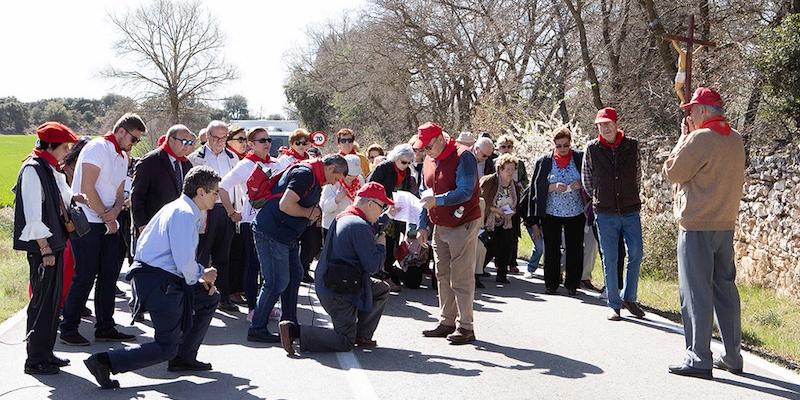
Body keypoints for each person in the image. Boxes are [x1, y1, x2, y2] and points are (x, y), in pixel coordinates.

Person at [83, 166, 222, 389]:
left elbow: (181, 261)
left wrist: (199, 278)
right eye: (215, 192)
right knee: (166, 347)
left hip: (161, 277)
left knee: (209, 298)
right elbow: (184, 261)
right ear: (200, 192)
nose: (217, 197)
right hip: (159, 280)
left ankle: (183, 357)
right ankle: (104, 361)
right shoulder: (185, 214)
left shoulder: (181, 208)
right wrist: (203, 274)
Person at [664, 87, 745, 379]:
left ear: (701, 111)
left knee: (695, 293)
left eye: (691, 110)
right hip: (725, 225)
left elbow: (673, 171)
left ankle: (699, 357)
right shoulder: (736, 139)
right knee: (726, 290)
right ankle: (733, 356)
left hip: (696, 226)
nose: (689, 115)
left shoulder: (699, 138)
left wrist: (683, 139)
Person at [278, 182, 393, 354]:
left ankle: (362, 335)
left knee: (380, 289)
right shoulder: (359, 226)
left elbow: (371, 227)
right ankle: (294, 331)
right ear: (370, 204)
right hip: (339, 291)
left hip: (333, 282)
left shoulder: (346, 216)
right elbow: (373, 266)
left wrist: (387, 217)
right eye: (382, 207)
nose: (381, 212)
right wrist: (381, 246)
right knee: (344, 341)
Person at [60, 113, 144, 346]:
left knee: (109, 274)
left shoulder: (123, 156)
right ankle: (68, 328)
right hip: (87, 220)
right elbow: (87, 187)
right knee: (85, 274)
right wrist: (106, 215)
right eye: (134, 139)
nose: (134, 143)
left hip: (107, 220)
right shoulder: (97, 148)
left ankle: (105, 326)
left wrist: (114, 212)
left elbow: (120, 191)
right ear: (121, 131)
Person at [247, 154, 348, 342]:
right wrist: (309, 213)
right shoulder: (305, 174)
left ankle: (289, 325)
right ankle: (257, 328)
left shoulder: (313, 175)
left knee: (294, 277)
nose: (334, 183)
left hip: (287, 235)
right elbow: (285, 205)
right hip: (272, 232)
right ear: (330, 168)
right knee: (276, 282)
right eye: (335, 178)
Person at [13, 122, 82, 375]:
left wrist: (75, 198)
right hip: (44, 249)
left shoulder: (49, 166)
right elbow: (33, 215)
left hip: (55, 244)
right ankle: (35, 360)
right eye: (64, 147)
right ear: (51, 145)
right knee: (42, 304)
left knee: (52, 304)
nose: (67, 152)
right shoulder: (33, 169)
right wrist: (45, 250)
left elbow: (61, 196)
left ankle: (46, 353)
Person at [415, 122, 481, 344]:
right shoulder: (428, 159)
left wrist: (438, 201)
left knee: (460, 276)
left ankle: (466, 327)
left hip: (462, 223)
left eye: (429, 146)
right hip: (440, 224)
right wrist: (422, 224)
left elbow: (465, 191)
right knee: (442, 274)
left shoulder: (464, 156)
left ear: (441, 139)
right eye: (423, 148)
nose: (426, 151)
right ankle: (447, 321)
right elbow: (425, 193)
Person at [582, 107, 646, 320]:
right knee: (610, 258)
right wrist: (599, 197)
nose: (605, 128)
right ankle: (614, 304)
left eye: (608, 123)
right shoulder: (592, 148)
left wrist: (629, 194)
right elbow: (587, 179)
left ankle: (630, 297)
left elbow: (637, 175)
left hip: (630, 209)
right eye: (601, 125)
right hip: (605, 212)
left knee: (636, 253)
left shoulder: (632, 145)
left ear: (616, 124)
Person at [219, 127, 280, 320]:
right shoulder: (245, 165)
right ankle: (253, 308)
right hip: (251, 221)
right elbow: (222, 187)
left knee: (269, 268)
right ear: (251, 144)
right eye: (262, 141)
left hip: (274, 221)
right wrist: (231, 212)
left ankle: (267, 306)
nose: (267, 144)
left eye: (268, 140)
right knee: (252, 265)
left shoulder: (276, 163)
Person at [188, 121, 239, 312]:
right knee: (201, 254)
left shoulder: (233, 157)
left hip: (226, 210)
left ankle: (223, 297)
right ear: (207, 136)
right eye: (215, 137)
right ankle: (197, 296)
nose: (219, 141)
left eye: (223, 137)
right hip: (204, 211)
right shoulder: (195, 158)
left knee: (223, 256)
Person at [530, 126, 585, 295]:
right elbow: (536, 186)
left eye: (566, 145)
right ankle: (551, 284)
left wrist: (580, 184)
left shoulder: (579, 158)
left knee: (575, 249)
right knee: (552, 249)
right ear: (553, 144)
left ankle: (572, 284)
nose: (562, 149)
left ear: (571, 144)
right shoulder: (545, 161)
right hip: (551, 212)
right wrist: (552, 187)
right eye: (559, 145)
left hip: (576, 212)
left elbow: (590, 179)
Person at [367, 144, 419, 289]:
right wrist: (385, 201)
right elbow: (371, 187)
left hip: (398, 211)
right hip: (381, 209)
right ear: (396, 158)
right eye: (403, 162)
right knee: (383, 241)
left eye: (409, 162)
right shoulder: (383, 168)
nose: (406, 165)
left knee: (393, 243)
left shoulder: (406, 172)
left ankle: (387, 273)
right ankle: (381, 276)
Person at [131, 124, 196, 238]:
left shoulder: (186, 164)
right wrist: (142, 224)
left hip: (179, 225)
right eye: (184, 141)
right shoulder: (150, 161)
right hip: (154, 225)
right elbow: (137, 195)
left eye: (190, 142)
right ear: (171, 140)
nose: (187, 146)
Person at [480, 153, 523, 285]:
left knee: (506, 246)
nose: (511, 172)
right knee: (490, 247)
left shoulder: (515, 186)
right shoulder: (490, 181)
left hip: (507, 221)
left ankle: (502, 274)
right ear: (500, 169)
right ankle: (477, 271)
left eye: (513, 169)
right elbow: (482, 202)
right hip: (490, 220)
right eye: (508, 169)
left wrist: (511, 212)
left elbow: (516, 204)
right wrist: (496, 210)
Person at [224, 126, 248, 305]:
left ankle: (240, 288)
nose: (244, 143)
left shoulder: (246, 159)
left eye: (245, 139)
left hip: (243, 212)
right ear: (229, 141)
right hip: (228, 211)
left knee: (241, 253)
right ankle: (230, 291)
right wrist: (231, 211)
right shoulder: (227, 158)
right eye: (240, 139)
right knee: (230, 254)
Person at [320, 155, 364, 236]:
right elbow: (325, 207)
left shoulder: (360, 180)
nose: (352, 178)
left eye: (355, 175)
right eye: (349, 175)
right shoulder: (332, 180)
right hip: (332, 226)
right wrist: (337, 198)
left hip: (352, 225)